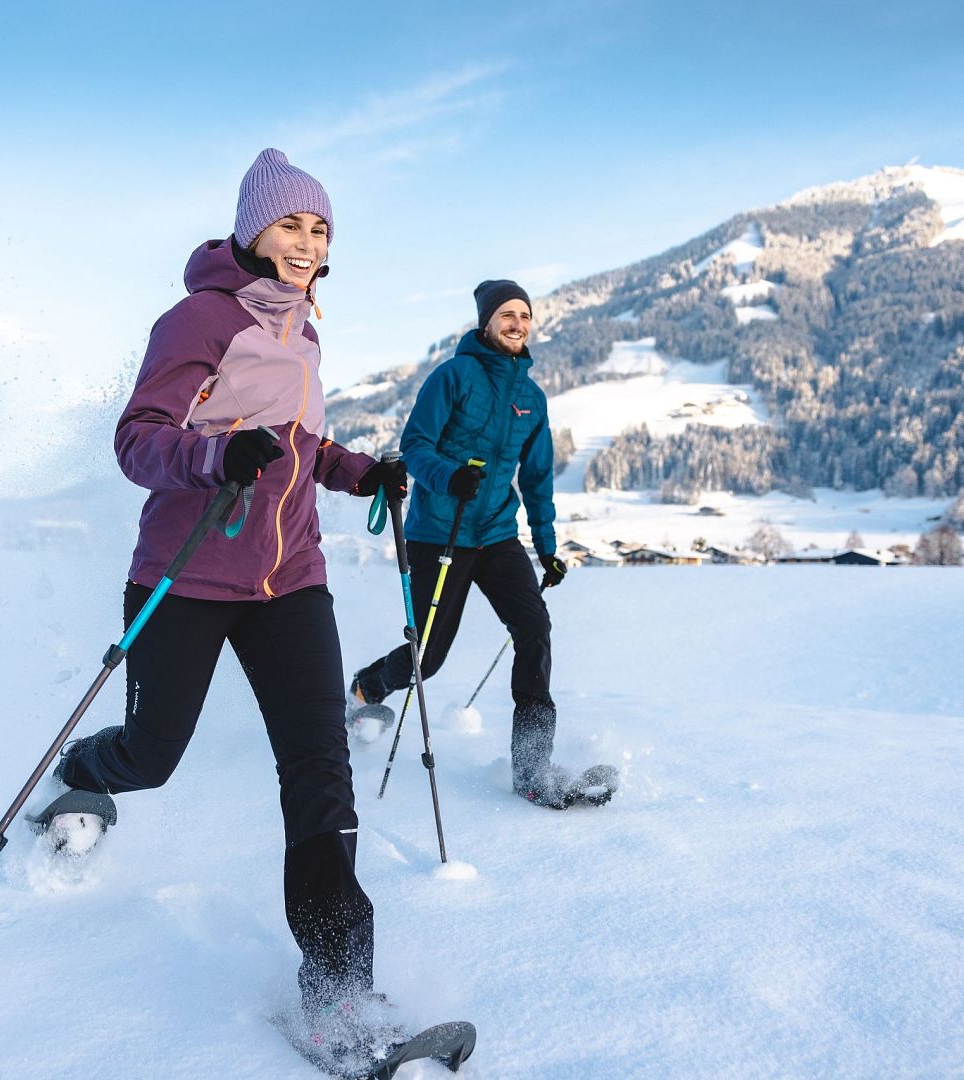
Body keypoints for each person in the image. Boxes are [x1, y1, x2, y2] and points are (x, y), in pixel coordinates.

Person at [45, 149, 409, 1053]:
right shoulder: (199, 318)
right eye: (291, 224)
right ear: (252, 229)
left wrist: (361, 472)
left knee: (320, 769)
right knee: (153, 754)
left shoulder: (305, 333)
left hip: (293, 581)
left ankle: (340, 990)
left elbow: (298, 449)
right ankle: (83, 774)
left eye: (320, 229)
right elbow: (138, 443)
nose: (306, 242)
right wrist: (214, 455)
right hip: (191, 572)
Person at [349, 280, 585, 807]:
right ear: (486, 321)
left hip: (498, 533)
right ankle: (366, 689)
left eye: (525, 315)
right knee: (427, 658)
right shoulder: (452, 376)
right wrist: (449, 476)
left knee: (534, 628)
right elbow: (415, 445)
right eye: (507, 314)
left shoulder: (532, 397)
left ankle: (532, 766)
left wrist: (546, 546)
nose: (517, 323)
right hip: (441, 532)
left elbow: (538, 477)